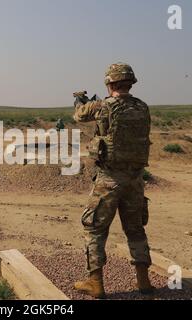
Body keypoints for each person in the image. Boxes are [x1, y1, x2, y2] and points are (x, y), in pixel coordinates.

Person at [73, 63, 153, 299]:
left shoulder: (102, 105)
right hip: (136, 179)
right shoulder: (142, 107)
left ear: (110, 83)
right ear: (130, 83)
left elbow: (79, 115)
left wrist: (80, 101)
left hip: (109, 178)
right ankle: (144, 281)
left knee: (95, 229)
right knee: (136, 230)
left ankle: (95, 283)